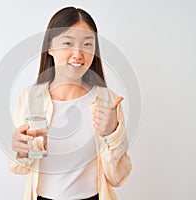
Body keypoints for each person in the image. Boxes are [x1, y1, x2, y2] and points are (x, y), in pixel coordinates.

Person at [9, 6, 132, 200]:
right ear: (50, 47)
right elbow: (20, 168)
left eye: (87, 44)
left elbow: (118, 178)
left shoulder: (107, 101)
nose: (78, 54)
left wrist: (112, 133)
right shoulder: (30, 98)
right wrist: (22, 152)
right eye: (68, 43)